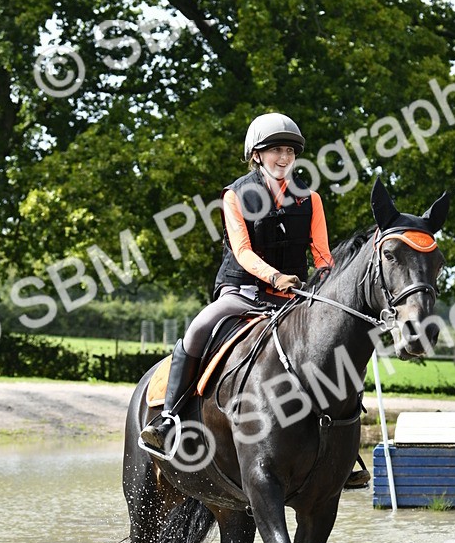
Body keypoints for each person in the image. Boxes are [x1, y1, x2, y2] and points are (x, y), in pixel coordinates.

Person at [139, 112, 371, 487]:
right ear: (257, 155)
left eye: (289, 151)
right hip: (242, 294)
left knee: (330, 345)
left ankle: (335, 454)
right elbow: (243, 252)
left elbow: (323, 256)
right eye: (275, 150)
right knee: (198, 329)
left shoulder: (309, 200)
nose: (284, 158)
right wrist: (276, 277)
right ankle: (168, 419)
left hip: (293, 301)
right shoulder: (236, 196)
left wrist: (331, 285)